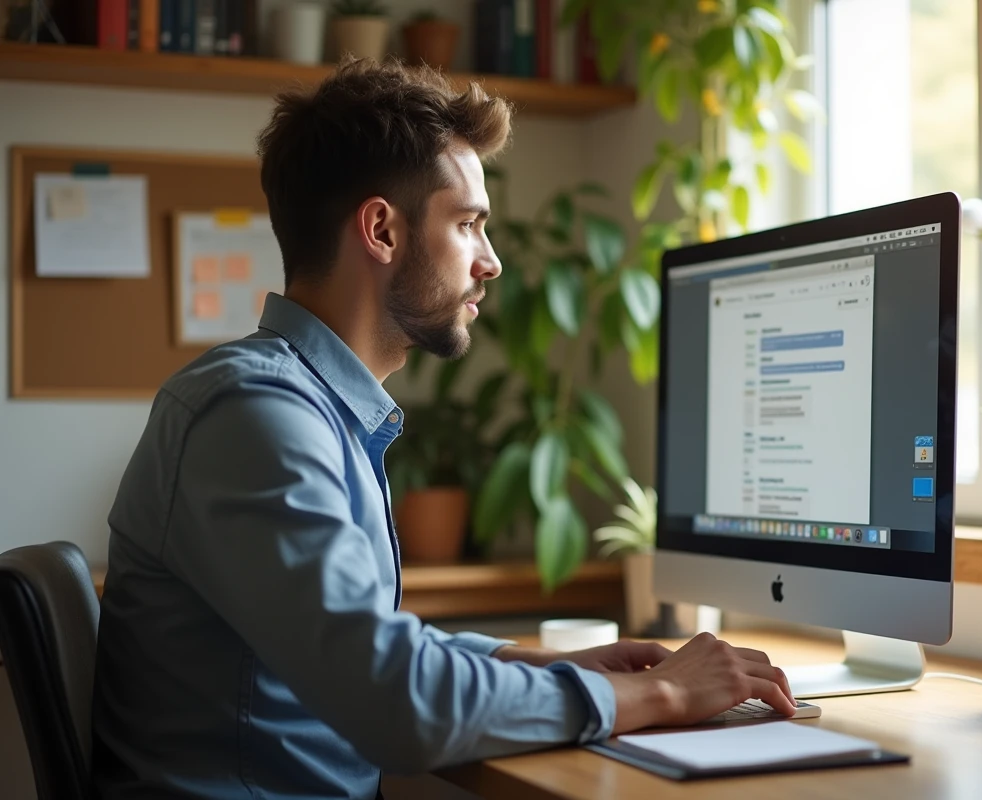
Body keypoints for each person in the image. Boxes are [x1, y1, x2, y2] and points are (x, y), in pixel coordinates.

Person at [91, 58, 796, 799]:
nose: (490, 262)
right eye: (467, 225)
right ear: (381, 230)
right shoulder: (255, 416)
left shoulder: (306, 408)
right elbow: (398, 703)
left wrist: (550, 669)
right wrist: (663, 695)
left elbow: (373, 652)